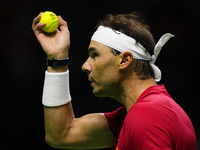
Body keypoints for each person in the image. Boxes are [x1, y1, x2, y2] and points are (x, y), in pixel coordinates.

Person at [32, 12, 197, 150]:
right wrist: (57, 58)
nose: (85, 66)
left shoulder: (146, 118)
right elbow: (61, 134)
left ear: (125, 60)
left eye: (95, 55)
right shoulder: (139, 114)